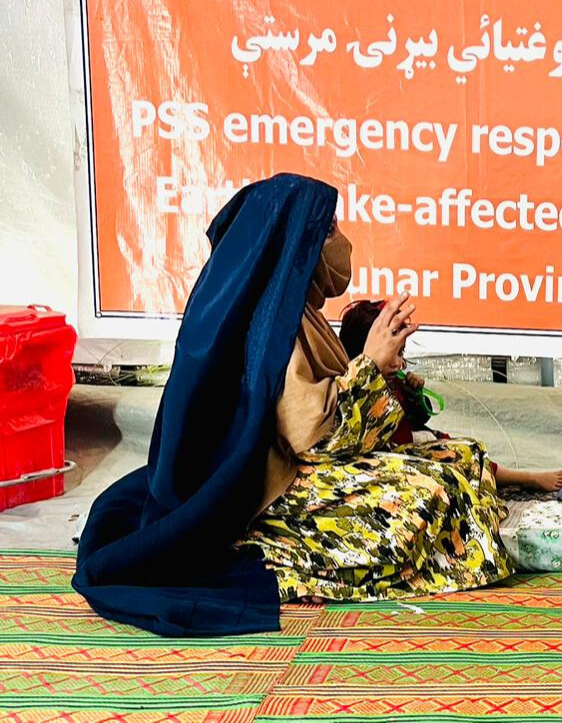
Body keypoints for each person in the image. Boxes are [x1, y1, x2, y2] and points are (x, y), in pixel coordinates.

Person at [73, 174, 511, 636]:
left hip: (302, 465)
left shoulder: (299, 311)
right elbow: (313, 439)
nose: (341, 243)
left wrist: (381, 371)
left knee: (461, 458)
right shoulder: (274, 326)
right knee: (433, 491)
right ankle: (286, 554)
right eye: (329, 231)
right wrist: (372, 364)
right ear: (294, 239)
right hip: (275, 487)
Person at [338, 299, 562, 492]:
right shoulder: (353, 390)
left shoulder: (393, 381)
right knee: (460, 459)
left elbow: (419, 419)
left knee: (468, 449)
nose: (400, 363)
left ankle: (516, 477)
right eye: (393, 353)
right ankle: (524, 479)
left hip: (413, 447)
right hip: (387, 467)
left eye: (402, 353)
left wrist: (414, 395)